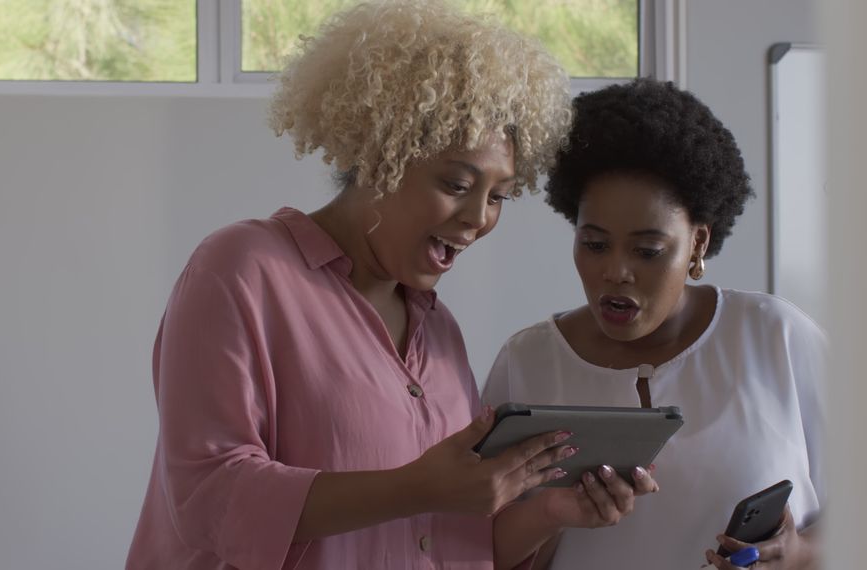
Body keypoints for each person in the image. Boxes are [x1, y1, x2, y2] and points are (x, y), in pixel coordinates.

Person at [125, 2, 660, 569]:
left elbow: (445, 543)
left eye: (499, 196)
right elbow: (209, 494)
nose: (479, 217)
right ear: (382, 155)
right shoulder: (243, 268)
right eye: (457, 183)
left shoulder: (440, 334)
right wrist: (415, 487)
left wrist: (552, 512)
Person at [483, 78, 825, 570]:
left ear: (698, 243)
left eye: (648, 251)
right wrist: (552, 514)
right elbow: (472, 550)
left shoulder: (775, 337)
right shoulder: (528, 362)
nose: (616, 271)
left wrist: (801, 553)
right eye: (595, 244)